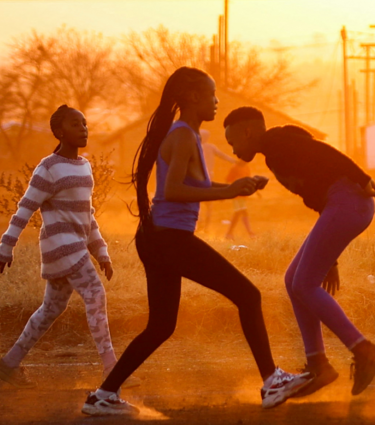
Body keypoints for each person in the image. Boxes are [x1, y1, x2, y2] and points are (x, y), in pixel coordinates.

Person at [81, 68, 307, 417]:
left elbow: (194, 188)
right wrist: (230, 190)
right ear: (193, 98)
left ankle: (103, 395)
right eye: (212, 94)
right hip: (168, 239)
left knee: (160, 326)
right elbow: (171, 191)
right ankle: (271, 380)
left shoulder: (187, 135)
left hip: (157, 238)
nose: (217, 101)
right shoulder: (184, 135)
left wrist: (232, 189)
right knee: (248, 295)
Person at [224, 107, 375, 398]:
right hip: (341, 206)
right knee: (293, 280)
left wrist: (362, 178)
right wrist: (330, 259)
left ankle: (364, 350)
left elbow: (326, 153)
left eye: (232, 141)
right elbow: (317, 194)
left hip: (349, 200)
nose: (233, 150)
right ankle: (318, 364)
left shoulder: (277, 142)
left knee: (304, 283)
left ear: (248, 131)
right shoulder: (274, 155)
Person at [0, 105, 135, 389]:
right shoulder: (48, 167)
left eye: (84, 123)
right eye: (75, 124)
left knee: (51, 309)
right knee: (95, 293)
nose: (83, 129)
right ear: (59, 132)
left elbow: (87, 215)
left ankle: (8, 364)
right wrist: (6, 247)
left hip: (75, 247)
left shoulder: (85, 167)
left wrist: (101, 251)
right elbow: (25, 208)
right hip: (60, 246)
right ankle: (111, 370)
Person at [198, 128, 237, 235]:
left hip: (199, 178)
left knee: (198, 201)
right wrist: (234, 161)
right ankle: (205, 226)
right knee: (208, 205)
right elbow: (223, 155)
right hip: (208, 177)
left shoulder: (197, 147)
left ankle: (201, 224)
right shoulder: (210, 147)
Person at [225, 159, 257, 241]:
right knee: (241, 211)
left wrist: (255, 189)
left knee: (238, 213)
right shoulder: (235, 168)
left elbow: (249, 179)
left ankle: (229, 233)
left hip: (243, 194)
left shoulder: (246, 167)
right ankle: (249, 232)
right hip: (236, 194)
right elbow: (228, 179)